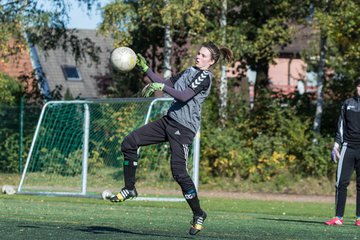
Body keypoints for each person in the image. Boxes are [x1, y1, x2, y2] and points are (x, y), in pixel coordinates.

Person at [108, 42, 233, 235]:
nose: (198, 57)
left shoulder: (205, 77)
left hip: (183, 129)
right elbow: (166, 84)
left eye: (203, 55)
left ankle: (198, 213)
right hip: (169, 121)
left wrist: (160, 87)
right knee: (129, 143)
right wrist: (145, 69)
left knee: (179, 173)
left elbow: (183, 96)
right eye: (198, 53)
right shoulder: (189, 70)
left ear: (212, 61)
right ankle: (129, 189)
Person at [325, 79, 360, 226]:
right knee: (341, 182)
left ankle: (359, 219)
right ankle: (338, 217)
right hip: (347, 147)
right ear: (356, 87)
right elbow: (341, 125)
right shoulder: (347, 104)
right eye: (359, 86)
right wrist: (336, 145)